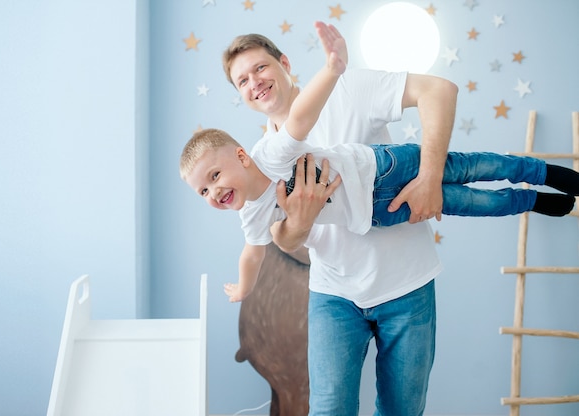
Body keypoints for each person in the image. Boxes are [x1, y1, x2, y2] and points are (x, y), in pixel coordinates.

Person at [217, 20, 545, 416]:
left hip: (407, 285)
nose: (255, 82)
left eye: (260, 68)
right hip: (333, 294)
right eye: (242, 81)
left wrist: (428, 178)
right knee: (329, 410)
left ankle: (533, 184)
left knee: (402, 410)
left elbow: (439, 91)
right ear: (241, 95)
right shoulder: (259, 158)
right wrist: (300, 223)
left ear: (284, 63)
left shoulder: (347, 89)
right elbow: (280, 240)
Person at [180, 127, 577, 301]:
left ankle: (542, 172)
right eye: (203, 191)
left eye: (214, 177)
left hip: (385, 167)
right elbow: (253, 252)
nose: (213, 192)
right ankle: (531, 202)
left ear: (241, 156)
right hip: (379, 211)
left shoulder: (270, 151)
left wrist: (333, 68)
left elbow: (300, 116)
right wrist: (244, 287)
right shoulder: (250, 216)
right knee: (466, 203)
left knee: (471, 167)